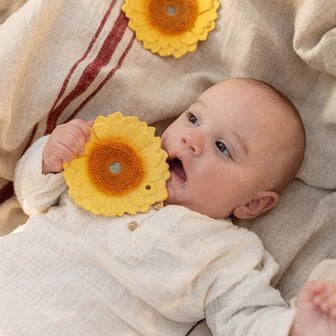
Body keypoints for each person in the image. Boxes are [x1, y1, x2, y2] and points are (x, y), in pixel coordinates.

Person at [0, 77, 335, 336]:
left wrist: (297, 326)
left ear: (252, 203)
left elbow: (245, 319)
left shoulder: (226, 252)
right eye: (193, 118)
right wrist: (51, 157)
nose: (192, 138)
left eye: (222, 147)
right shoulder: (109, 162)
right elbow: (31, 197)